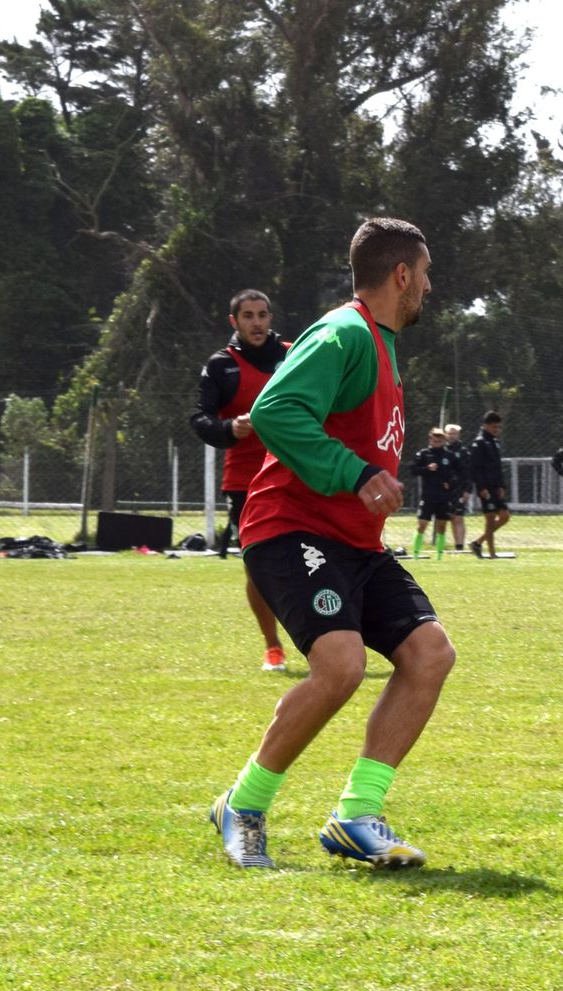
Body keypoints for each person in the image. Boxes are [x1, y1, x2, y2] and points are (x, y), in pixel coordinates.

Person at [209, 217, 454, 869]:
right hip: (292, 528)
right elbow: (275, 411)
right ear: (401, 275)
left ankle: (356, 817)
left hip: (354, 542)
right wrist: (358, 473)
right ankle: (245, 804)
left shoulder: (383, 344)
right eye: (425, 274)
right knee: (341, 665)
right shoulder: (344, 331)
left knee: (429, 654)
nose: (428, 287)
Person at [190, 289, 291, 671]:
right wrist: (231, 428)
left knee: (317, 556)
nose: (257, 322)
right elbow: (200, 419)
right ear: (235, 322)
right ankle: (272, 647)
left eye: (262, 314)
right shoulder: (221, 365)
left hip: (298, 473)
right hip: (246, 482)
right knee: (259, 568)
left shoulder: (292, 354)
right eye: (248, 316)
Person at [409, 427, 458, 559]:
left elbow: (460, 473)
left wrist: (451, 483)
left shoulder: (449, 455)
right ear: (430, 439)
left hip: (443, 497)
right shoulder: (424, 454)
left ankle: (439, 557)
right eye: (434, 440)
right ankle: (415, 555)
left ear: (443, 441)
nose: (436, 443)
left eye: (439, 441)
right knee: (422, 525)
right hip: (428, 496)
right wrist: (427, 469)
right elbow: (413, 470)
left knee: (442, 527)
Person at [467, 411, 510, 558]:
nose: (497, 430)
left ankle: (478, 543)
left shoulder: (495, 442)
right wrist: (481, 488)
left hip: (496, 487)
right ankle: (492, 554)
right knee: (490, 519)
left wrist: (502, 486)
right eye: (494, 427)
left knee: (504, 516)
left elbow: (497, 467)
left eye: (499, 427)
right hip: (486, 487)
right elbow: (474, 468)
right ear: (485, 425)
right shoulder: (479, 443)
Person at [443, 423, 470, 550]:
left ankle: (460, 547)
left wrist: (467, 490)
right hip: (445, 490)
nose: (452, 436)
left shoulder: (464, 451)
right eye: (449, 433)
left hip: (459, 489)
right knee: (450, 518)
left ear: (458, 435)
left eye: (454, 433)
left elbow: (469, 472)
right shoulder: (442, 450)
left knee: (459, 517)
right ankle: (449, 545)